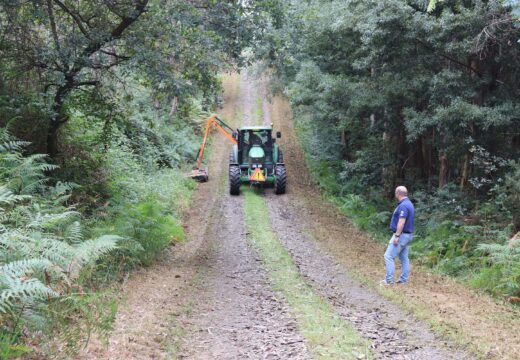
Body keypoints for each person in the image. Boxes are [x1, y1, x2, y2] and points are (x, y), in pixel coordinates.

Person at [381, 186, 415, 285]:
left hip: (401, 235)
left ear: (398, 193)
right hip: (408, 235)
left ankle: (389, 280)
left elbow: (401, 222)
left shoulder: (403, 205)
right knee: (404, 257)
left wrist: (397, 236)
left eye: (395, 193)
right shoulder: (409, 204)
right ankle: (403, 280)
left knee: (388, 256)